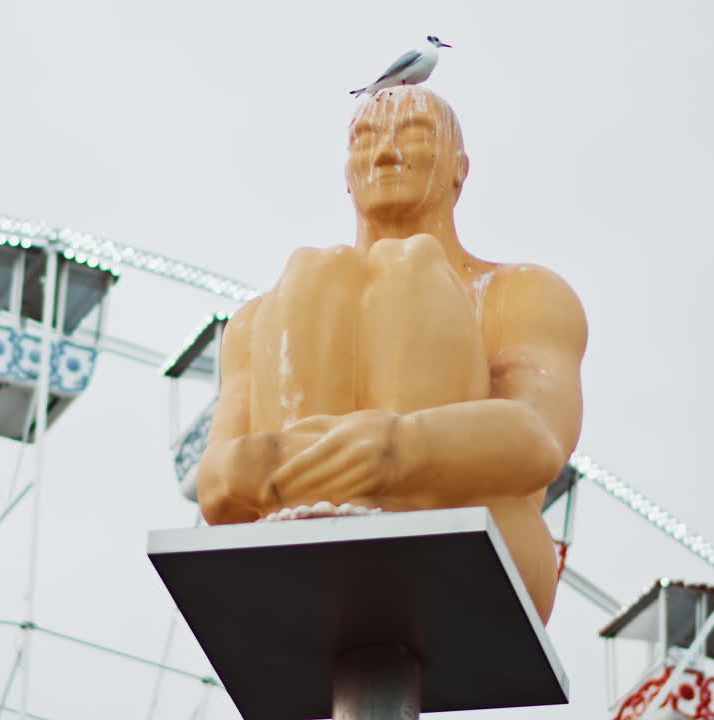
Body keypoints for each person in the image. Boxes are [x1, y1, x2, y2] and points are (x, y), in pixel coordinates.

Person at [194, 86, 587, 622]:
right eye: (364, 139)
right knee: (314, 271)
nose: (384, 153)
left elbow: (538, 437)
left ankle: (375, 508)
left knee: (411, 270)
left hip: (480, 537)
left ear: (459, 168)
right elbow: (214, 485)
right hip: (292, 532)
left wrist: (399, 449)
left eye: (415, 133)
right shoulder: (262, 318)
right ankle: (324, 514)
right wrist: (294, 469)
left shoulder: (522, 292)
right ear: (345, 173)